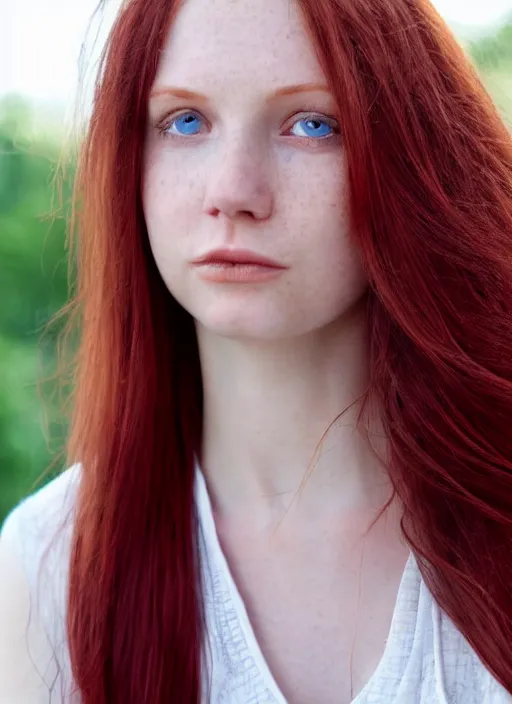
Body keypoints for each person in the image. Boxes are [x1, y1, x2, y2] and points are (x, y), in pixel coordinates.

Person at [1, 0, 512, 701]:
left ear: (413, 157)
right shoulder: (47, 569)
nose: (234, 191)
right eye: (185, 121)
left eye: (312, 124)